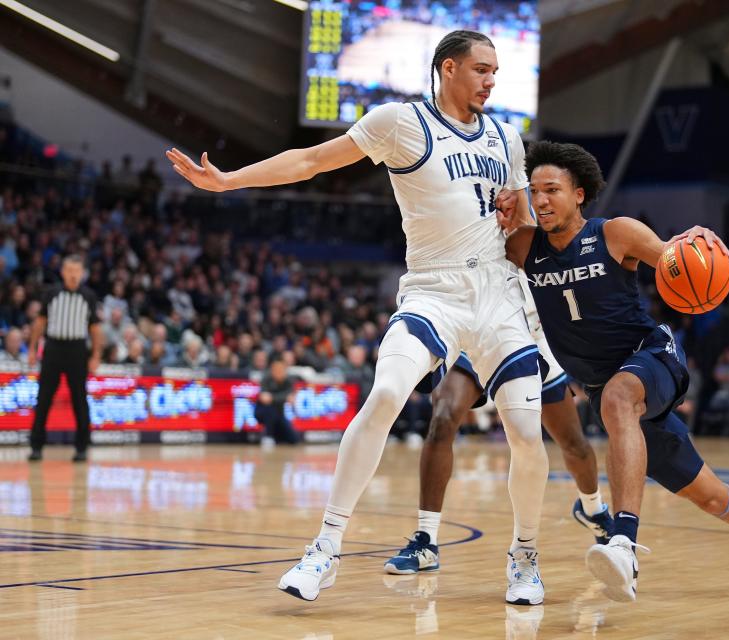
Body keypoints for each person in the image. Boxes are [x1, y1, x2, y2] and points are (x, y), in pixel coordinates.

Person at [167, 30, 549, 605]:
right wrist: (230, 179)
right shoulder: (401, 122)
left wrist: (521, 219)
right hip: (433, 289)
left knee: (525, 432)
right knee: (387, 393)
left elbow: (523, 231)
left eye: (495, 71)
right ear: (448, 69)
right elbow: (313, 160)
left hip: (498, 294)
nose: (492, 81)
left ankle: (524, 558)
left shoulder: (506, 138)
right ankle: (324, 548)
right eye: (481, 69)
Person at [503, 141, 729, 602]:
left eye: (552, 190)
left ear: (579, 194)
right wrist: (507, 202)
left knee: (620, 398)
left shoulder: (615, 233)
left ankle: (623, 543)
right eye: (535, 191)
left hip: (651, 356)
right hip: (610, 393)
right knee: (713, 498)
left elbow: (675, 258)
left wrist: (696, 240)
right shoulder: (523, 246)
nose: (541, 200)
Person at [383, 285, 614, 576]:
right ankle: (426, 541)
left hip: (531, 333)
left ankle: (593, 509)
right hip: (477, 324)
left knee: (573, 443)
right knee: (442, 419)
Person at [27, 255, 103, 463]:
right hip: (53, 348)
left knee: (80, 399)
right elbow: (40, 322)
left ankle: (82, 447)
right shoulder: (51, 294)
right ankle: (36, 446)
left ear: (82, 273)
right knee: (44, 398)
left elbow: (95, 330)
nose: (73, 275)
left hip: (77, 350)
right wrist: (32, 349)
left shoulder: (88, 296)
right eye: (69, 270)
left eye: (77, 271)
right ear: (62, 272)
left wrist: (96, 355)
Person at [255, 357, 299, 446]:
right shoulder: (266, 379)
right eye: (276, 369)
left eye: (281, 369)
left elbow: (291, 397)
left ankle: (277, 436)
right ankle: (268, 436)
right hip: (262, 412)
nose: (278, 371)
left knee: (294, 439)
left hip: (280, 414)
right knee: (271, 411)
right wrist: (284, 397)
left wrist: (273, 398)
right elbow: (264, 399)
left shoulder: (288, 381)